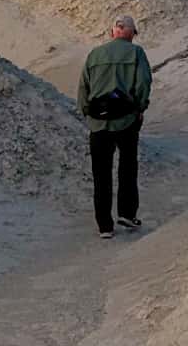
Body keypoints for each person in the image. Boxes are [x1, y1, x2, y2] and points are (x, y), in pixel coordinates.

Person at [76, 14, 152, 238]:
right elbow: (144, 83)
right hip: (126, 119)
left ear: (113, 31)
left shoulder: (95, 54)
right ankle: (126, 214)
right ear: (128, 32)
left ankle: (105, 226)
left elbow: (83, 87)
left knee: (101, 174)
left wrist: (87, 114)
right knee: (127, 167)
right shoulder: (136, 53)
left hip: (98, 123)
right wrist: (140, 108)